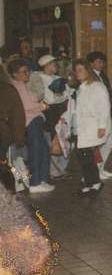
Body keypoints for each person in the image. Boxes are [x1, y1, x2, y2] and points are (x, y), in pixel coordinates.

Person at [8, 60, 52, 194]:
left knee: (43, 149)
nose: (27, 74)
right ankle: (35, 182)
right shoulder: (17, 86)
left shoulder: (22, 85)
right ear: (15, 74)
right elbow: (25, 106)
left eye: (28, 71)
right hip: (31, 122)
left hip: (35, 120)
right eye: (23, 72)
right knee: (36, 151)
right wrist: (41, 106)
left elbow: (31, 99)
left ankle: (42, 179)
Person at [73, 59, 111, 196]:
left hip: (93, 126)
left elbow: (104, 107)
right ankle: (89, 182)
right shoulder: (81, 88)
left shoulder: (97, 87)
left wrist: (102, 126)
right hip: (82, 127)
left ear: (88, 71)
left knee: (87, 156)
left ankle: (95, 182)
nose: (77, 73)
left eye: (80, 70)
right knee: (83, 156)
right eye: (76, 70)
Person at [86, 51, 112, 178]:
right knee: (98, 144)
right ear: (91, 63)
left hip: (106, 113)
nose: (101, 64)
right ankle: (95, 170)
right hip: (97, 116)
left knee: (109, 142)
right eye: (98, 62)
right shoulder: (89, 77)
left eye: (102, 61)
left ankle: (100, 168)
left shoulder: (103, 75)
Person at [0, 64, 25, 172]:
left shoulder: (8, 89)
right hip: (4, 133)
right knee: (5, 161)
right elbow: (18, 116)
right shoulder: (8, 89)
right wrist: (18, 138)